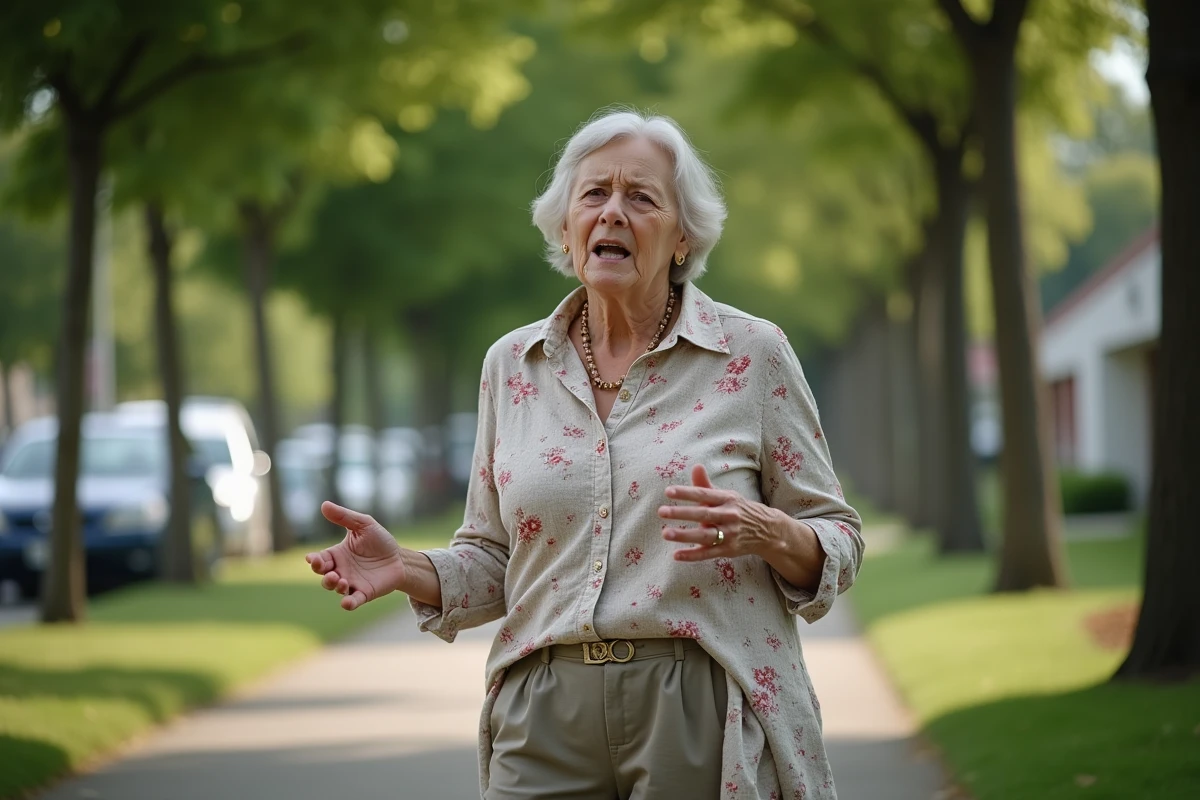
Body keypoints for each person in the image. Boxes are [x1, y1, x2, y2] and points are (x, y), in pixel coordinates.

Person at [306, 108, 864, 800]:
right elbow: (495, 560)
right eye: (594, 194)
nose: (613, 213)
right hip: (542, 710)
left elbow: (839, 536)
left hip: (697, 699)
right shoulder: (511, 366)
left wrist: (769, 531)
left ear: (683, 236)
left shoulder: (752, 356)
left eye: (641, 197)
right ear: (566, 230)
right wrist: (407, 567)